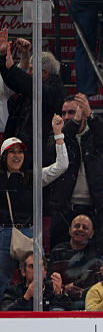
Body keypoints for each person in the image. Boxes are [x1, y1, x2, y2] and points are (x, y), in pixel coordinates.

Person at [0, 120, 69, 295]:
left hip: (30, 234)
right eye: (12, 152)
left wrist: (58, 135)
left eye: (20, 151)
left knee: (41, 279)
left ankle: (44, 311)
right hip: (4, 235)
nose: (17, 156)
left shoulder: (32, 177)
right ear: (3, 156)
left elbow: (61, 166)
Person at [45, 93, 103, 248]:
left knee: (93, 258)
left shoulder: (95, 133)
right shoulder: (58, 135)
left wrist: (90, 115)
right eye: (64, 113)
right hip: (64, 207)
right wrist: (74, 123)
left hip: (94, 206)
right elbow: (51, 151)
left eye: (72, 112)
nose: (67, 116)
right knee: (60, 254)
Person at [47, 182, 103, 309]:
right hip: (61, 302)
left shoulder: (95, 249)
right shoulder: (58, 251)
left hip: (90, 301)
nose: (80, 229)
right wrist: (64, 289)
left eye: (85, 228)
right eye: (76, 226)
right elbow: (47, 281)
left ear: (91, 234)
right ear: (70, 230)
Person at [0, 252, 74, 311]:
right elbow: (5, 312)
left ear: (45, 271)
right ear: (23, 271)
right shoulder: (12, 291)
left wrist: (58, 294)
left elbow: (70, 311)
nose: (36, 270)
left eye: (39, 266)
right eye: (31, 266)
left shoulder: (52, 289)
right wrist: (26, 298)